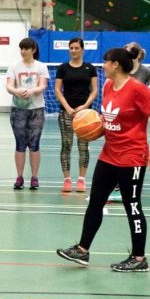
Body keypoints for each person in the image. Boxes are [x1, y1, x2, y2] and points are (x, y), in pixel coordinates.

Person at [56, 47, 150, 273]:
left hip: (132, 156)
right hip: (109, 154)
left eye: (106, 62)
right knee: (95, 201)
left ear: (116, 65)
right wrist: (94, 130)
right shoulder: (107, 86)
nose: (103, 66)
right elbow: (109, 119)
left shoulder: (137, 89)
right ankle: (82, 250)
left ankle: (139, 258)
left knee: (132, 206)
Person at [54, 37, 98, 193]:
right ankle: (67, 180)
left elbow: (94, 90)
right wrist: (67, 107)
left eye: (76, 48)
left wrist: (85, 106)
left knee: (83, 146)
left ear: (82, 50)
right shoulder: (63, 68)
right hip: (66, 113)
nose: (73, 50)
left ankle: (81, 180)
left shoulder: (90, 68)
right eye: (71, 48)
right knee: (66, 145)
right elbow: (58, 90)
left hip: (85, 114)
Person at [6, 37, 49, 190]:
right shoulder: (13, 66)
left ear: (33, 50)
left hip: (36, 110)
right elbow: (9, 86)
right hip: (18, 110)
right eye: (21, 48)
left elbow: (43, 85)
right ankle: (19, 177)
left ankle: (34, 177)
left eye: (26, 48)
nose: (23, 51)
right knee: (20, 144)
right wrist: (17, 91)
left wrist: (31, 91)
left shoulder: (41, 67)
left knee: (34, 144)